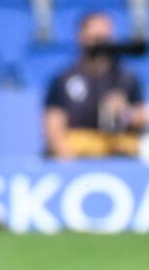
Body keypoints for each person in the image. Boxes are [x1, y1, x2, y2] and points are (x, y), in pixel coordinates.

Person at [43, 10, 146, 159]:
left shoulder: (127, 78)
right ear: (81, 38)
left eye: (105, 39)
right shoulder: (63, 80)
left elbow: (142, 117)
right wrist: (71, 168)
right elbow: (53, 127)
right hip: (80, 156)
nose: (101, 45)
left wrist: (125, 112)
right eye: (96, 38)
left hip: (118, 156)